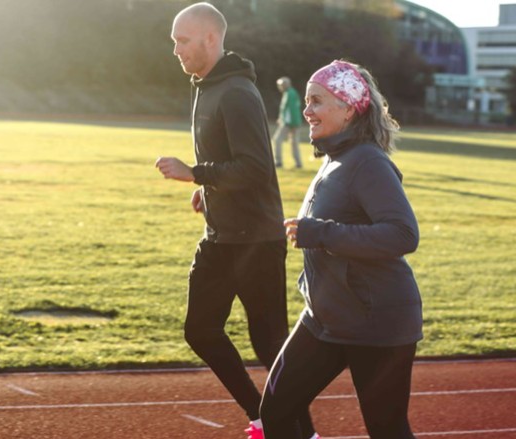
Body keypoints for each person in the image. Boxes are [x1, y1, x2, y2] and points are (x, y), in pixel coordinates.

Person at [154, 3, 317, 439]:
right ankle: (264, 416)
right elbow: (231, 163)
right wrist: (207, 189)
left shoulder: (237, 92)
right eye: (174, 41)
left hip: (257, 243)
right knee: (201, 330)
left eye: (183, 40)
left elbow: (256, 167)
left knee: (270, 346)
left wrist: (197, 173)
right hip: (223, 236)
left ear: (211, 38)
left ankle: (305, 433)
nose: (176, 49)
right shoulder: (208, 86)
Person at [259, 60, 423, 439]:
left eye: (317, 101)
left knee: (387, 430)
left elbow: (403, 234)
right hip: (326, 316)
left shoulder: (367, 161)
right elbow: (311, 226)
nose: (307, 110)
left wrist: (324, 234)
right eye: (307, 101)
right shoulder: (336, 159)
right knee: (277, 410)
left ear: (348, 108)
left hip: (377, 321)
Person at [274, 77, 305, 169]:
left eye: (280, 85)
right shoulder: (291, 92)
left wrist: (285, 121)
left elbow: (290, 109)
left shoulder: (289, 93)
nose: (280, 87)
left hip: (289, 122)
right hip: (295, 122)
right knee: (294, 143)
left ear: (285, 84)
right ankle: (298, 164)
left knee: (277, 140)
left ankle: (278, 162)